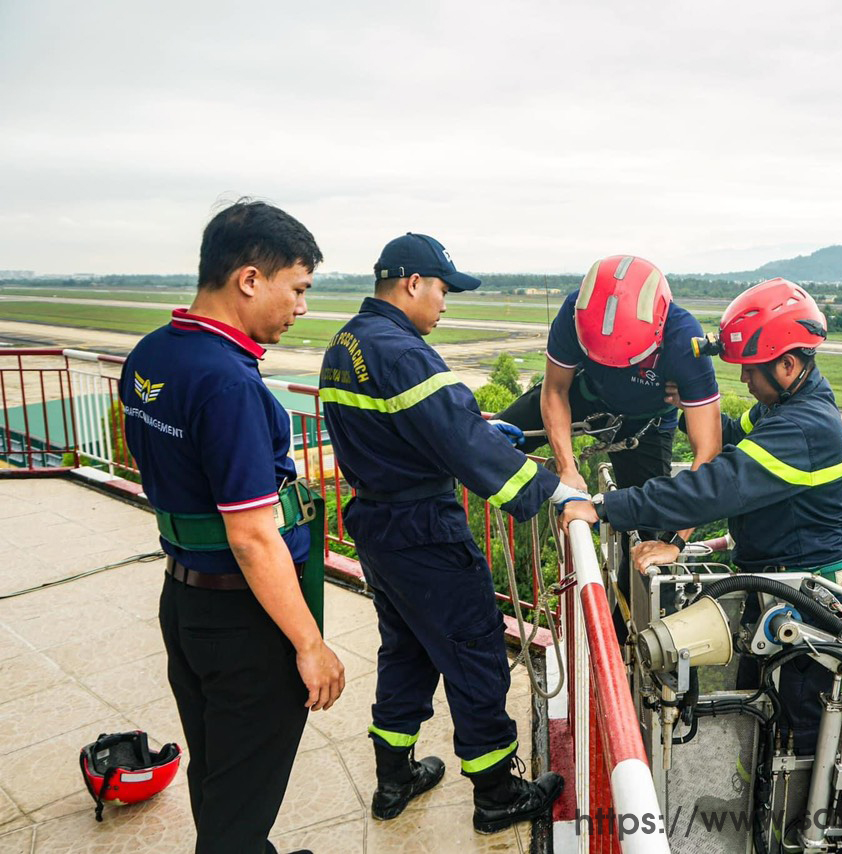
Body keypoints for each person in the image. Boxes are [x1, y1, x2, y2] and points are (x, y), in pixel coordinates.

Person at [318, 233, 581, 832]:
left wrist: (483, 427)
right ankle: (495, 796)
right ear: (412, 283)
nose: (445, 303)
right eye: (442, 289)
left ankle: (394, 777)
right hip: (424, 531)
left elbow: (421, 424)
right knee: (474, 651)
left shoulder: (348, 342)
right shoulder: (403, 352)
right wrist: (554, 491)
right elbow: (454, 438)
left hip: (377, 526)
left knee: (406, 650)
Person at [121, 199, 345, 854]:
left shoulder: (153, 355)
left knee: (221, 767)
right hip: (245, 623)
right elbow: (250, 535)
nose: (301, 307)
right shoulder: (229, 385)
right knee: (241, 799)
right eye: (298, 288)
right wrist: (309, 643)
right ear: (250, 279)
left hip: (186, 601)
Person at [561, 278, 842, 753]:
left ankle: (792, 826)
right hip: (778, 589)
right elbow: (730, 437)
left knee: (793, 744)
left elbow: (711, 489)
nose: (743, 379)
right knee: (758, 715)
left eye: (749, 370)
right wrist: (689, 407)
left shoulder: (802, 429)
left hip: (808, 612)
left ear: (787, 364)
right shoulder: (784, 409)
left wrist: (605, 507)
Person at [495, 254, 722, 496]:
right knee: (490, 446)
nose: (616, 368)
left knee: (645, 526)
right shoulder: (575, 312)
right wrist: (567, 468)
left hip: (645, 422)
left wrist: (677, 533)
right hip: (584, 392)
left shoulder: (684, 340)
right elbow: (556, 390)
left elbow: (707, 451)